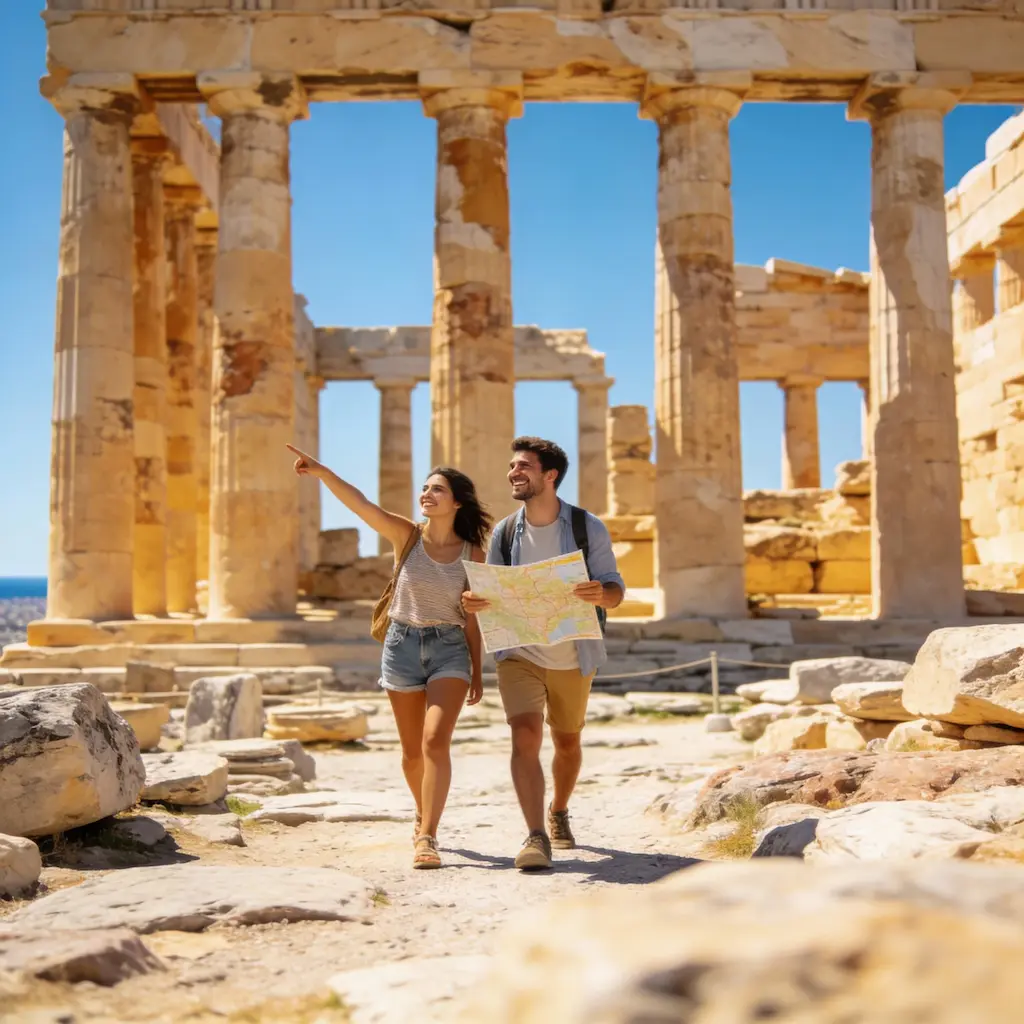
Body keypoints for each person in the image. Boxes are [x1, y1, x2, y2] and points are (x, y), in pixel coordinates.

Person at [287, 443, 490, 870]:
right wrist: (324, 473)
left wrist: (477, 669)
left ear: (457, 501)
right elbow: (361, 504)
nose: (427, 495)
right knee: (412, 752)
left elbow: (473, 619)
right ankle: (422, 813)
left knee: (436, 742)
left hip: (449, 649)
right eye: (424, 488)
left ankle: (428, 837)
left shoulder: (475, 553)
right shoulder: (407, 536)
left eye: (437, 490)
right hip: (400, 647)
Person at [462, 437, 624, 871]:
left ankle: (559, 810)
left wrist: (601, 594)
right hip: (520, 652)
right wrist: (475, 603)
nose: (513, 473)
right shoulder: (504, 532)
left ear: (549, 475)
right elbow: (490, 591)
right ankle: (535, 835)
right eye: (512, 466)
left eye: (524, 466)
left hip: (574, 653)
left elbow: (615, 590)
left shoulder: (589, 527)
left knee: (567, 742)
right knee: (525, 736)